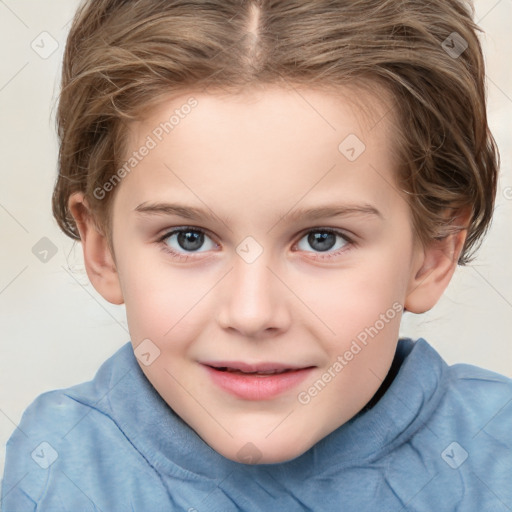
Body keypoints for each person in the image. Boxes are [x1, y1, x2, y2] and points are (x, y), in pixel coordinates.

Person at [2, 0, 510, 510]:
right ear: (102, 249)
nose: (252, 313)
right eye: (189, 238)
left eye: (322, 240)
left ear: (434, 251)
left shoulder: (496, 455)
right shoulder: (59, 471)